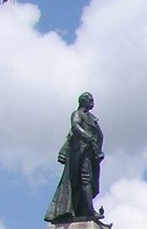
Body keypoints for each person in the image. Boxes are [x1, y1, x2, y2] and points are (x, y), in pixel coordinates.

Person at [45, 92, 105, 222]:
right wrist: (88, 137)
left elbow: (99, 135)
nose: (92, 102)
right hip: (81, 150)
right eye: (90, 100)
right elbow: (76, 126)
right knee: (85, 178)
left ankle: (86, 208)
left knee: (89, 179)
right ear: (83, 101)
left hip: (91, 152)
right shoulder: (77, 114)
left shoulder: (93, 118)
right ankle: (89, 210)